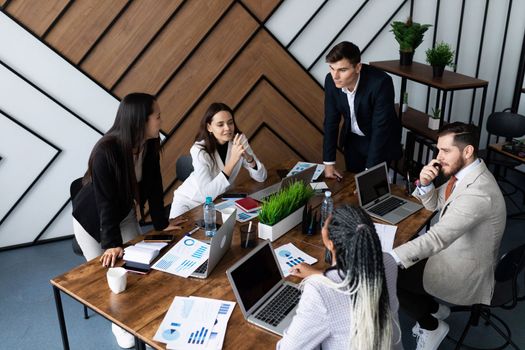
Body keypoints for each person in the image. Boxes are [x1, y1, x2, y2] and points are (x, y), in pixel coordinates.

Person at [72, 93, 183, 349]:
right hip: (92, 221)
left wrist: (160, 224)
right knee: (112, 274)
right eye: (157, 117)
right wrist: (110, 243)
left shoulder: (149, 144)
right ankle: (119, 325)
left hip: (123, 214)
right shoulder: (106, 150)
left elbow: (155, 186)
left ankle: (139, 316)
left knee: (139, 265)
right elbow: (105, 203)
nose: (160, 121)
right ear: (140, 121)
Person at [392, 122, 506, 350]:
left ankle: (432, 326)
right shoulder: (465, 175)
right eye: (438, 150)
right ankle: (434, 309)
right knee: (405, 262)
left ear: (467, 151)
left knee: (390, 277)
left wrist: (388, 257)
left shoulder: (477, 192)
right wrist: (424, 184)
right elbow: (438, 205)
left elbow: (437, 239)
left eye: (445, 151)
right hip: (455, 251)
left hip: (465, 271)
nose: (438, 157)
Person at [277, 205, 403, 350]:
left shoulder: (319, 290)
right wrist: (318, 274)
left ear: (329, 243)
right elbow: (353, 284)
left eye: (325, 225)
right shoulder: (387, 262)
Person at [169, 102, 267, 218]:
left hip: (219, 201)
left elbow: (261, 177)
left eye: (230, 123)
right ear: (209, 127)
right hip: (189, 201)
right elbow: (207, 195)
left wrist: (249, 158)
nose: (227, 128)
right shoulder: (199, 150)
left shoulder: (239, 139)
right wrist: (232, 161)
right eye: (220, 124)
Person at [323, 41, 402, 177]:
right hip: (353, 140)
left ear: (358, 67)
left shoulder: (381, 83)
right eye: (332, 68)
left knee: (371, 188)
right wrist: (329, 163)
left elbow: (380, 129)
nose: (335, 76)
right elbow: (331, 121)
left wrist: (368, 174)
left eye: (342, 70)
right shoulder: (331, 81)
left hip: (379, 141)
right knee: (352, 184)